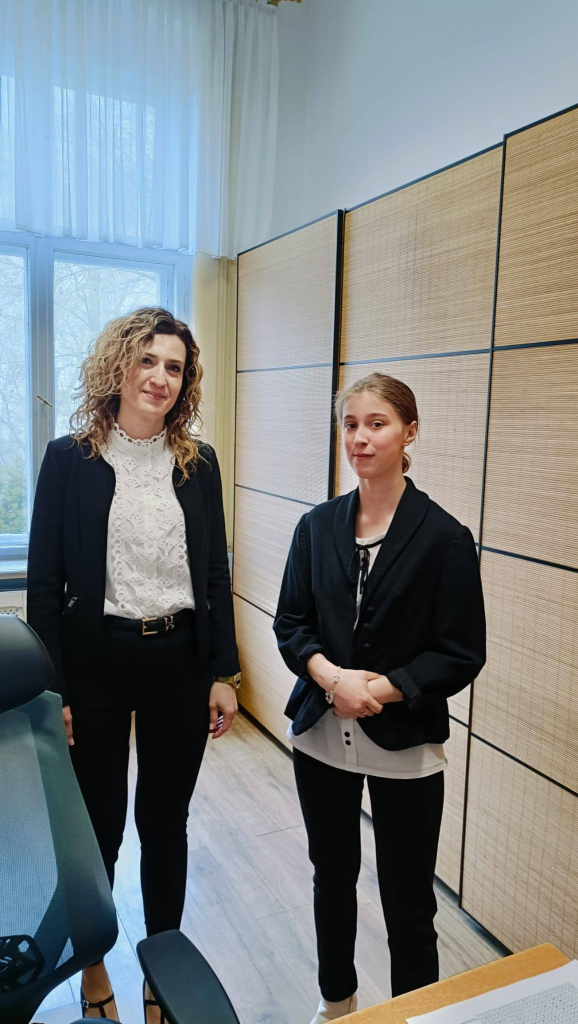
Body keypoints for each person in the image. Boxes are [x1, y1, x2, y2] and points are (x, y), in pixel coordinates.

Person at [27, 307, 241, 1023]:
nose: (159, 377)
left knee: (166, 824)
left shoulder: (197, 463)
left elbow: (214, 573)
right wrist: (52, 690)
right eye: (147, 360)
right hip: (96, 664)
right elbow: (44, 584)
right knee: (99, 828)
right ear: (118, 365)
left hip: (179, 660)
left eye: (174, 367)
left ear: (186, 382)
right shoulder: (69, 459)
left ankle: (160, 976)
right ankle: (94, 972)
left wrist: (224, 672)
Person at [273, 372, 486, 1024]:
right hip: (320, 735)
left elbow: (459, 652)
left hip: (405, 744)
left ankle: (414, 1016)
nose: (360, 438)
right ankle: (336, 1003)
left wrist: (381, 690)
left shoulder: (445, 538)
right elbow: (292, 624)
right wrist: (331, 679)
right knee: (331, 880)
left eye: (377, 423)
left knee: (409, 903)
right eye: (351, 424)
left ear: (409, 432)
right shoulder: (316, 527)